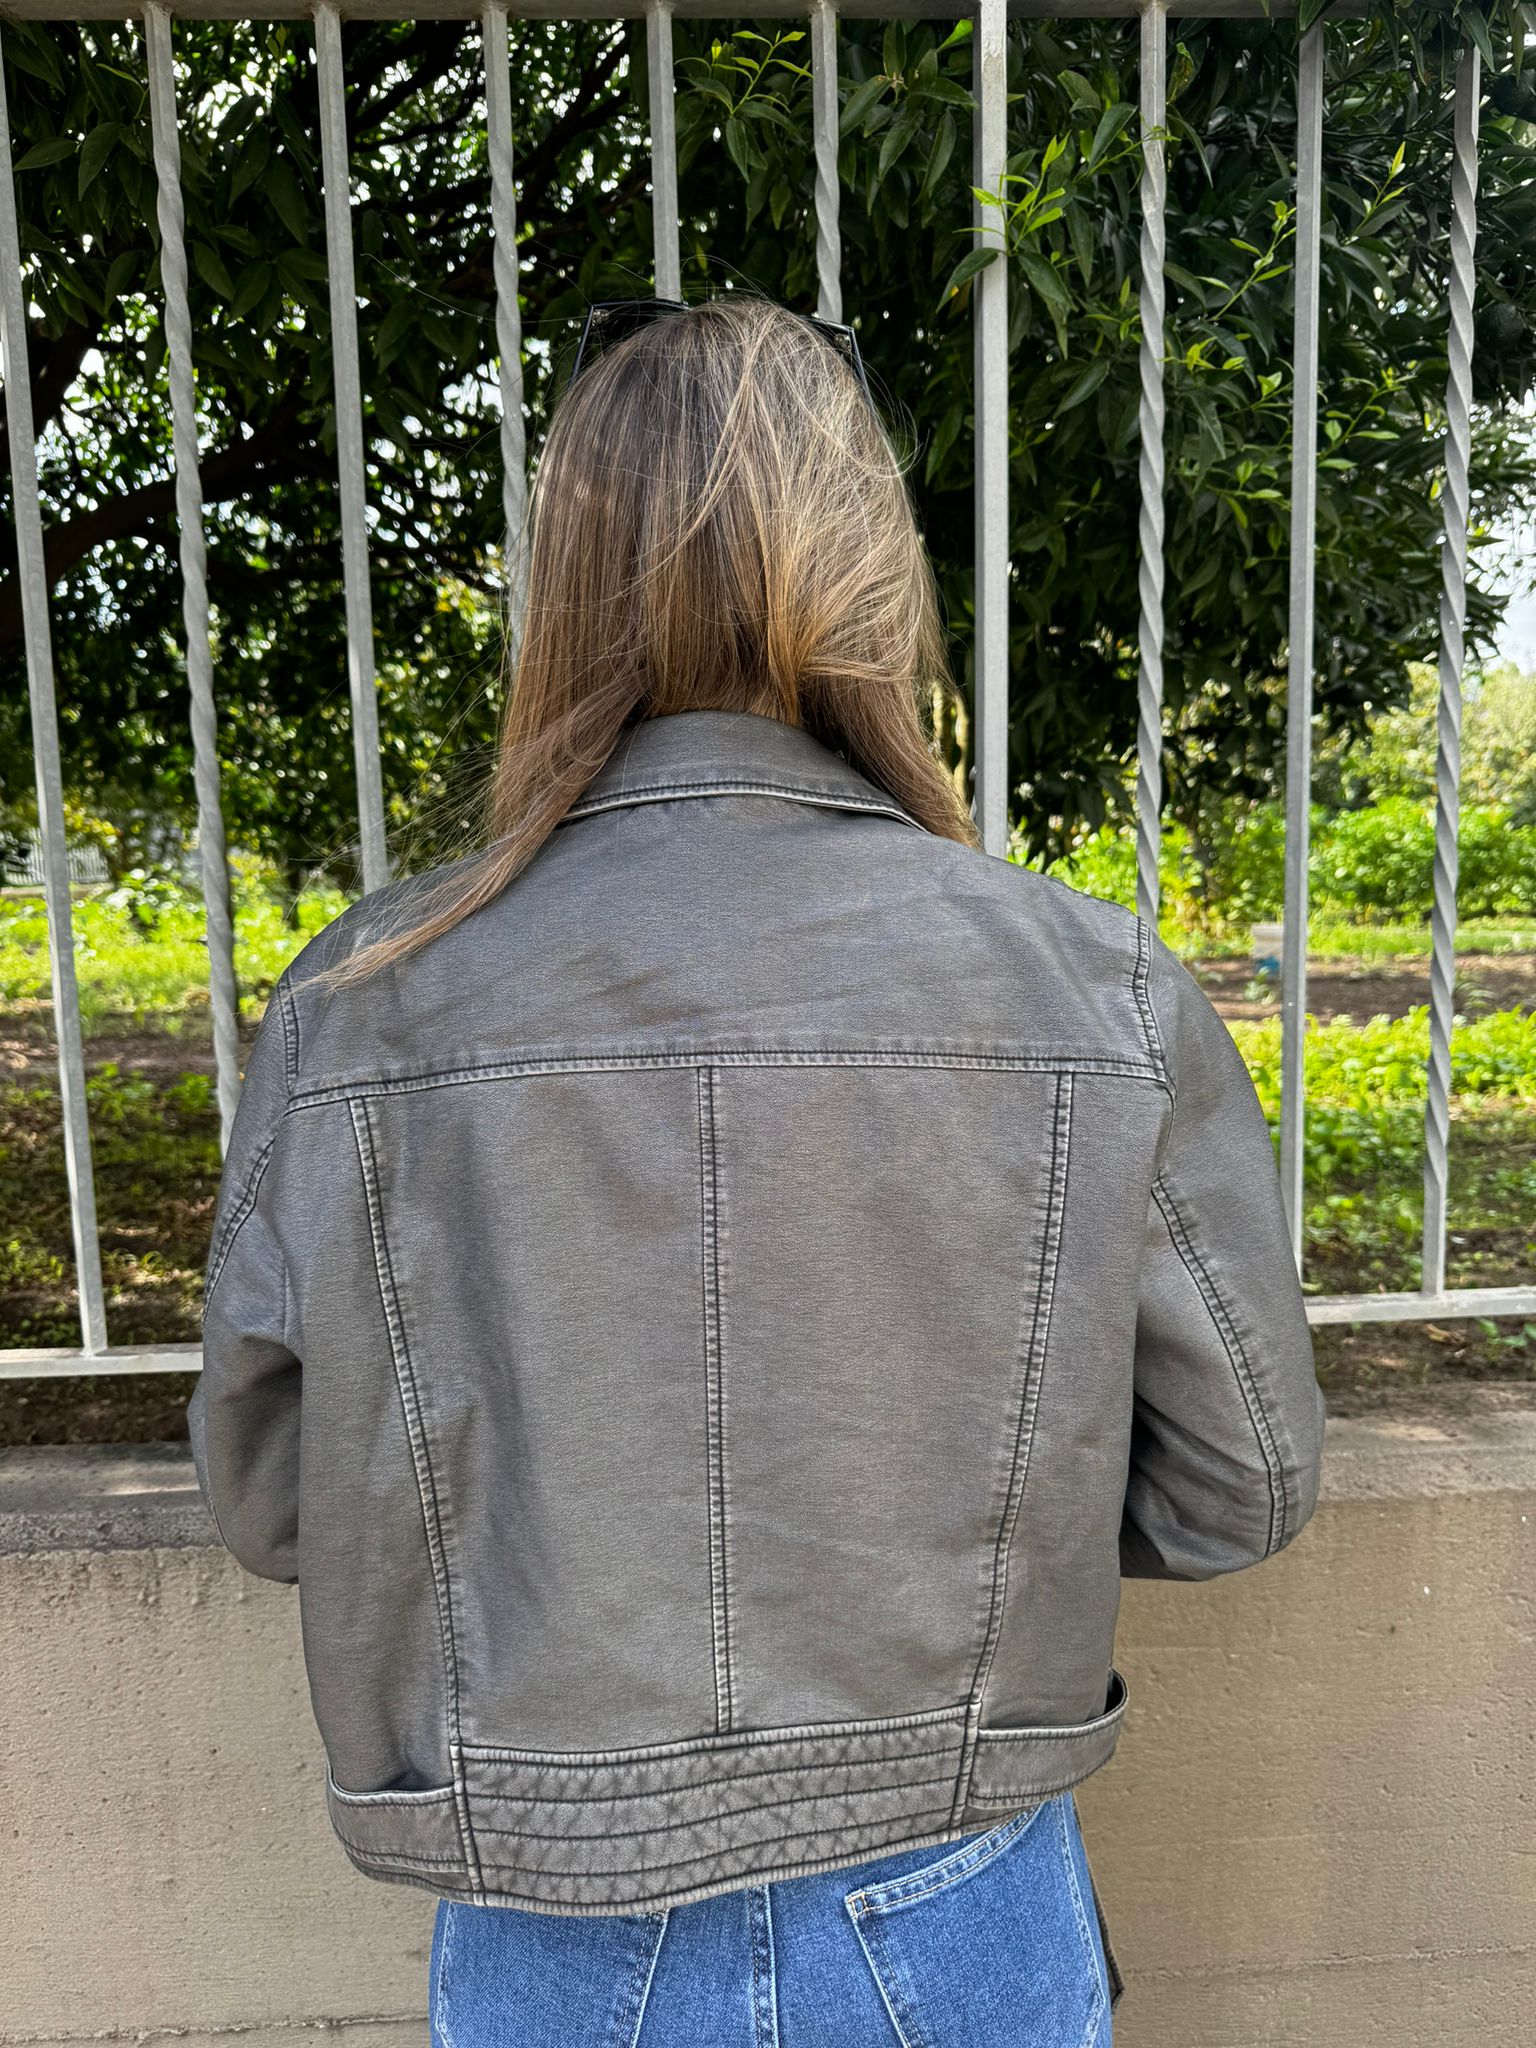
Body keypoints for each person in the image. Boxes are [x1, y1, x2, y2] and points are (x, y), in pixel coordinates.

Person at [190, 293, 1327, 2047]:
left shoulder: (367, 1001)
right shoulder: (1090, 986)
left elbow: (277, 1498)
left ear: (564, 582)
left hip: (549, 1916)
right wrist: (966, 1537)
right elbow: (1236, 1486)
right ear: (871, 578)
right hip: (957, 1886)